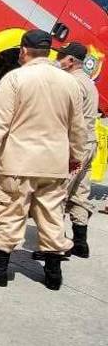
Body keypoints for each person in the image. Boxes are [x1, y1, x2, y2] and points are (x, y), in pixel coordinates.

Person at [0, 29, 87, 290]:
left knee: (11, 212)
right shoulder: (70, 83)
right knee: (52, 215)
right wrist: (76, 156)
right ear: (48, 52)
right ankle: (53, 274)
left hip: (18, 162)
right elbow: (78, 127)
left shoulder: (14, 79)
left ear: (24, 51)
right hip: (55, 164)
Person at [57, 42, 99, 258]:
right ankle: (80, 243)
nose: (58, 59)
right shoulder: (89, 83)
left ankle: (56, 247)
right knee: (80, 194)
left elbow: (63, 116)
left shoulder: (72, 82)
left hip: (75, 146)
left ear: (71, 60)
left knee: (57, 195)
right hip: (90, 144)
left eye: (61, 56)